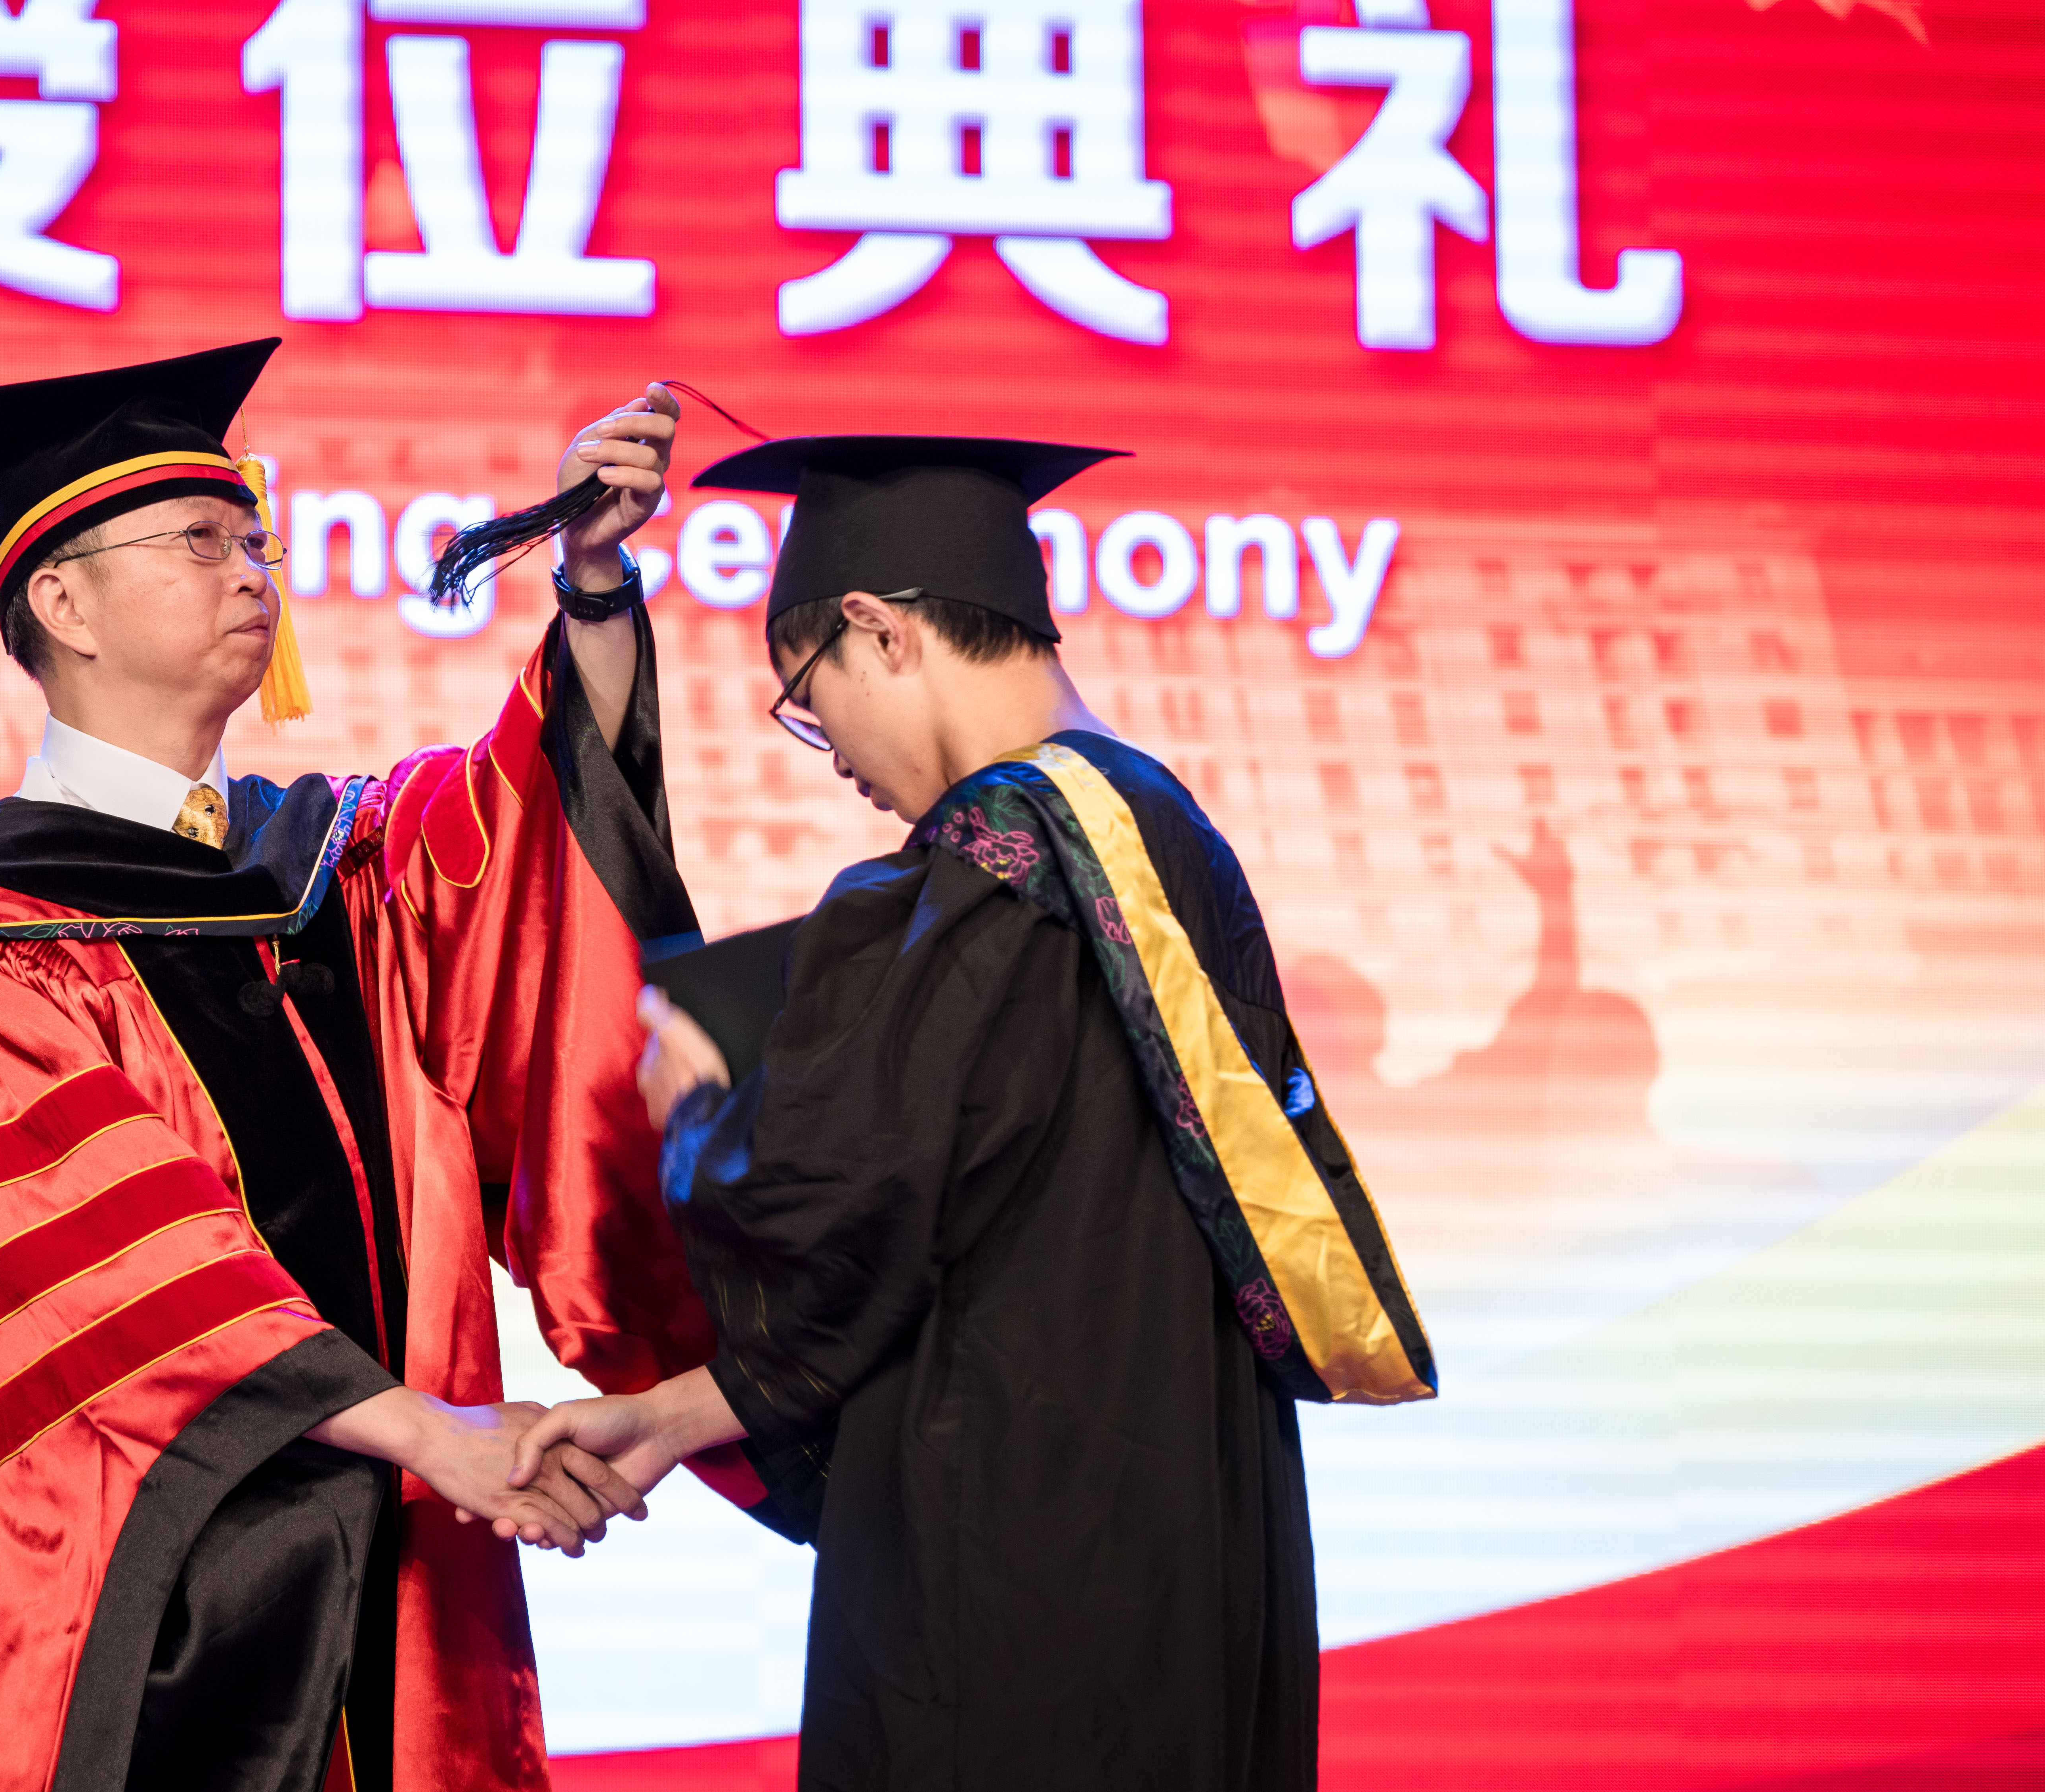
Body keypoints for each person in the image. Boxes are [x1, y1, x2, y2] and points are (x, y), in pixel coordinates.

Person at [0, 340, 733, 1792]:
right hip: (154, 1619)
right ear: (61, 602)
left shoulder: (329, 871)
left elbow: (521, 862)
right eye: (201, 541)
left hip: (398, 1571)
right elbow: (121, 1273)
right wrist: (430, 1435)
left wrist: (588, 582)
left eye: (255, 538)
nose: (253, 571)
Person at [508, 436, 1438, 1791]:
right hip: (1175, 1555)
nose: (832, 755)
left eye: (808, 697)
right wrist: (670, 1420)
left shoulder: (1002, 860)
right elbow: (966, 1242)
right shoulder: (1159, 834)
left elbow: (834, 1195)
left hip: (1018, 1580)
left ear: (880, 631)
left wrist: (704, 1106)